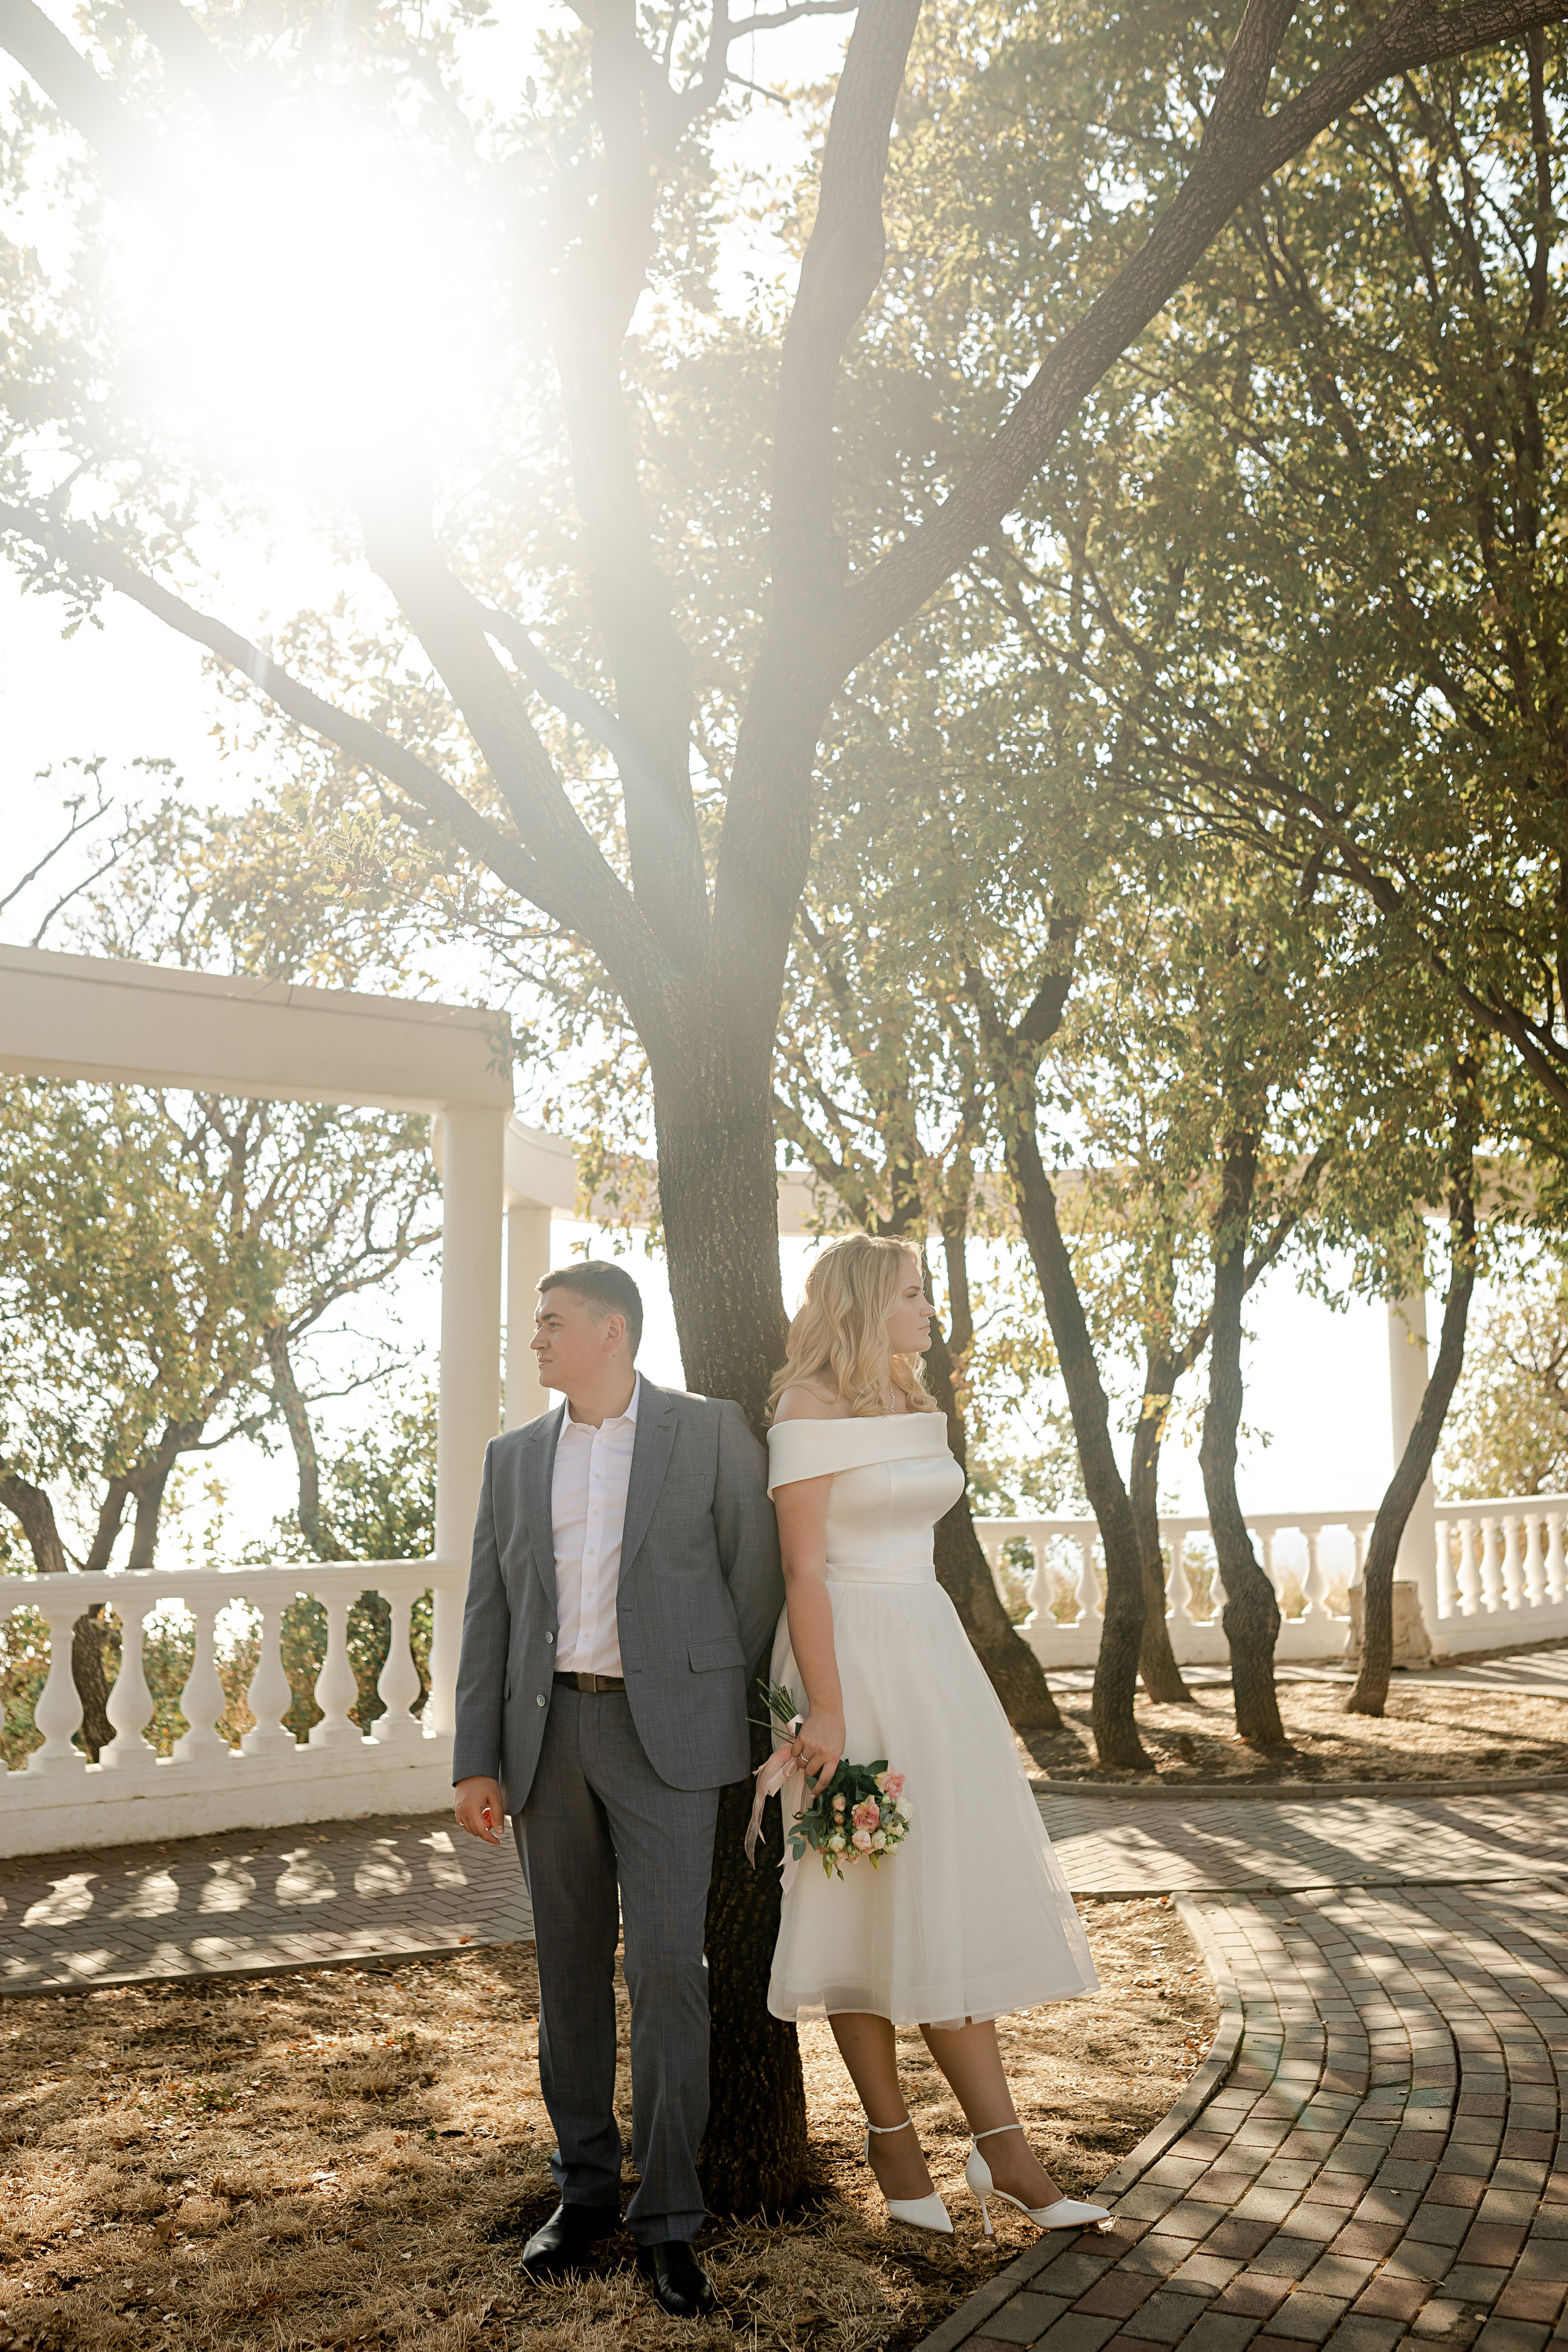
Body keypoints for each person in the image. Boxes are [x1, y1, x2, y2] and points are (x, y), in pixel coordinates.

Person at [451, 1261, 782, 2317]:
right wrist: (476, 1756)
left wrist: (709, 1702)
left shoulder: (710, 1430)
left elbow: (754, 1580)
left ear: (611, 1330)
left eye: (550, 1324)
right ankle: (585, 2192)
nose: (535, 1341)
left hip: (668, 1743)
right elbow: (488, 1612)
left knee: (672, 1972)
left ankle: (671, 2221)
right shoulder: (512, 1460)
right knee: (568, 1974)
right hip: (547, 1739)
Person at [764, 1232, 1110, 2237]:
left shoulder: (915, 1401)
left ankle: (1005, 2153)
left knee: (941, 1893)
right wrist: (825, 1711)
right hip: (844, 1660)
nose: (927, 1310)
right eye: (913, 1295)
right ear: (867, 1305)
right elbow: (803, 1572)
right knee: (851, 1896)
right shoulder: (805, 1411)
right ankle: (892, 2141)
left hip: (930, 1651)